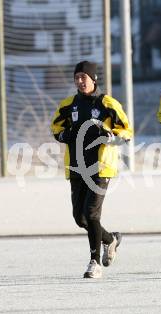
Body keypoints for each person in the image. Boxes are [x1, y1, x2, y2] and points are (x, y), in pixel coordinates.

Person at [50, 61, 133, 279]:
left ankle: (94, 262)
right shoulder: (69, 104)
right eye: (77, 77)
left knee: (91, 214)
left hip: (100, 167)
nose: (80, 81)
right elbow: (56, 126)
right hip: (77, 167)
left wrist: (112, 138)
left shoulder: (106, 102)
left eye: (84, 77)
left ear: (93, 79)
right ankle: (110, 239)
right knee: (80, 218)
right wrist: (62, 135)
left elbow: (126, 129)